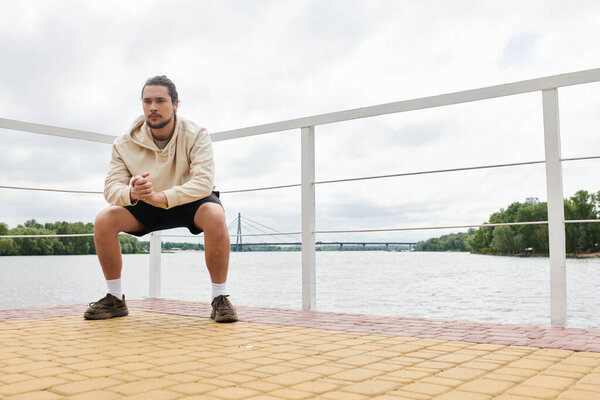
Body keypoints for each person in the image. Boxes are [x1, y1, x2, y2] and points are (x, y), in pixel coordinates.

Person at [84, 75, 237, 323]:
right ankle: (115, 299)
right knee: (104, 219)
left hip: (190, 201)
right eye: (147, 101)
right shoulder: (123, 143)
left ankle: (219, 298)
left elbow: (203, 183)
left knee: (216, 215)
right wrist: (132, 193)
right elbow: (111, 189)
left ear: (175, 104)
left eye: (160, 101)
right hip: (145, 204)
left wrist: (162, 196)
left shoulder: (197, 134)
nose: (153, 107)